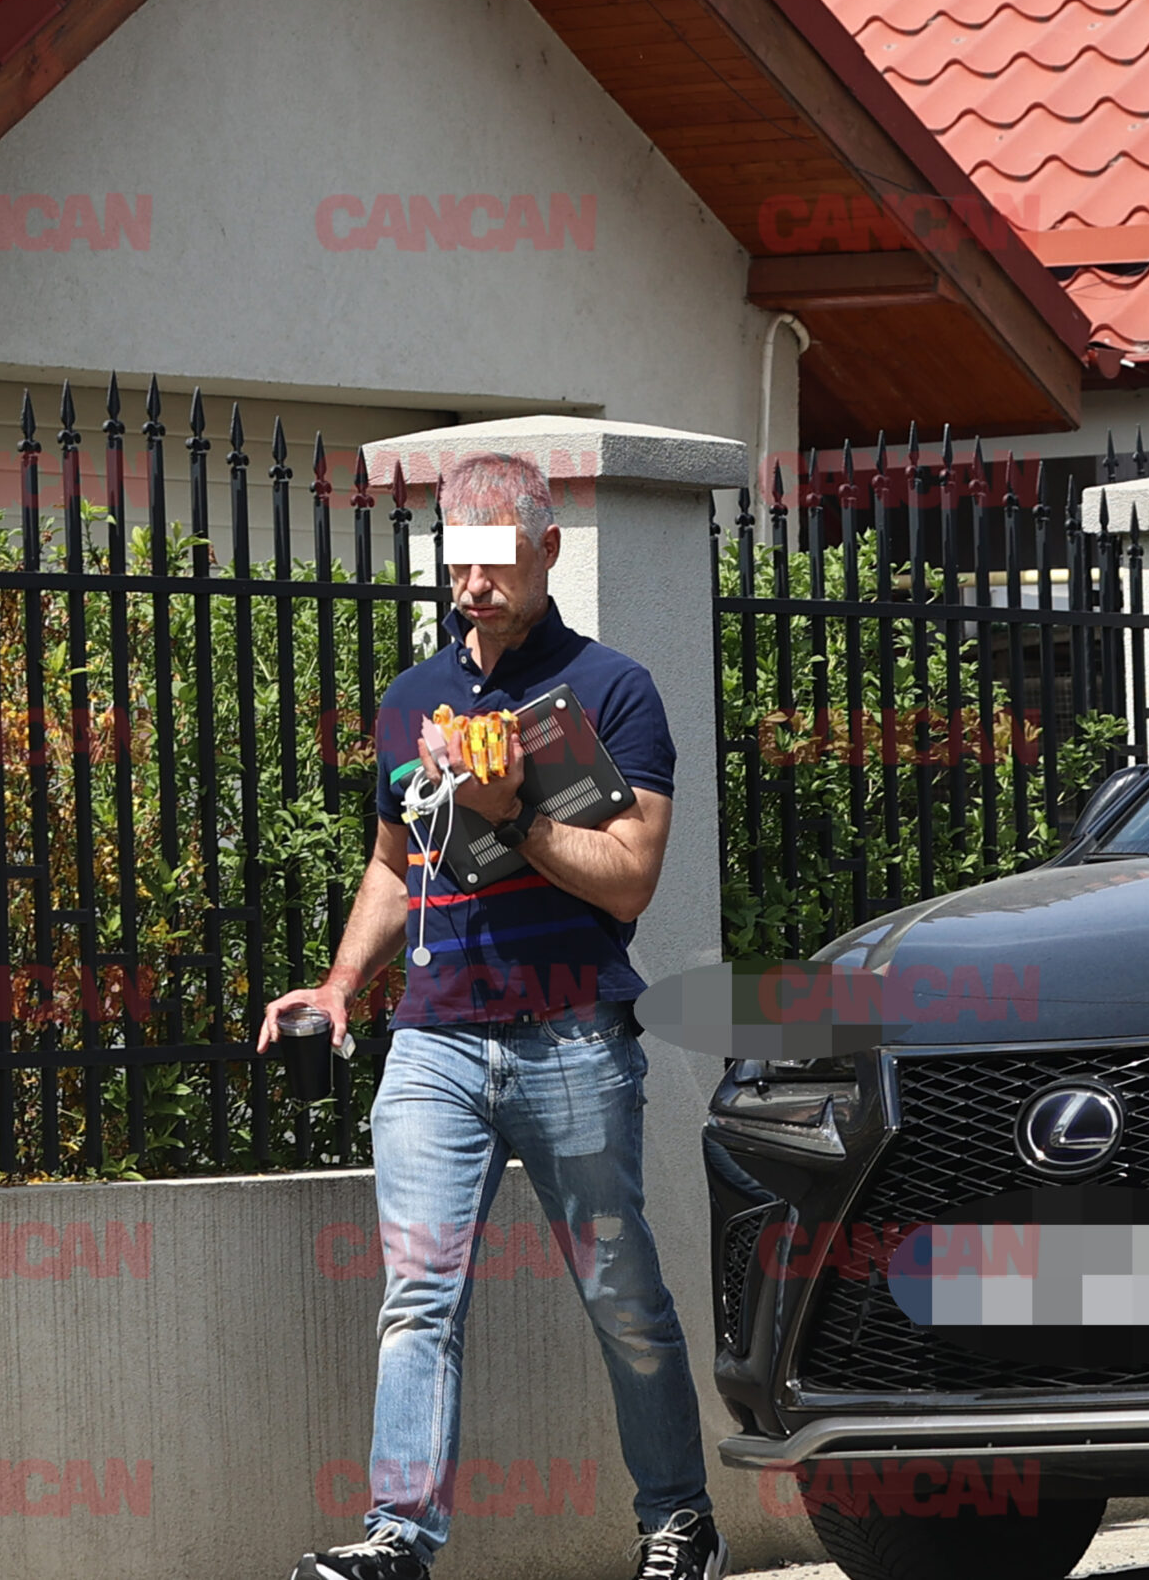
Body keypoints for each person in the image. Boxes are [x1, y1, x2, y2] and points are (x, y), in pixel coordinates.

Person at [261, 453, 725, 1580]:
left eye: (495, 562)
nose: (472, 587)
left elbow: (629, 880)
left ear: (546, 550)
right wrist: (340, 985)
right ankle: (400, 1538)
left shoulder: (613, 690)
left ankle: (679, 1521)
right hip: (433, 1039)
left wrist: (511, 815)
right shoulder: (411, 700)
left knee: (619, 1293)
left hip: (572, 1032)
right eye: (456, 564)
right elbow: (392, 866)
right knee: (416, 1298)